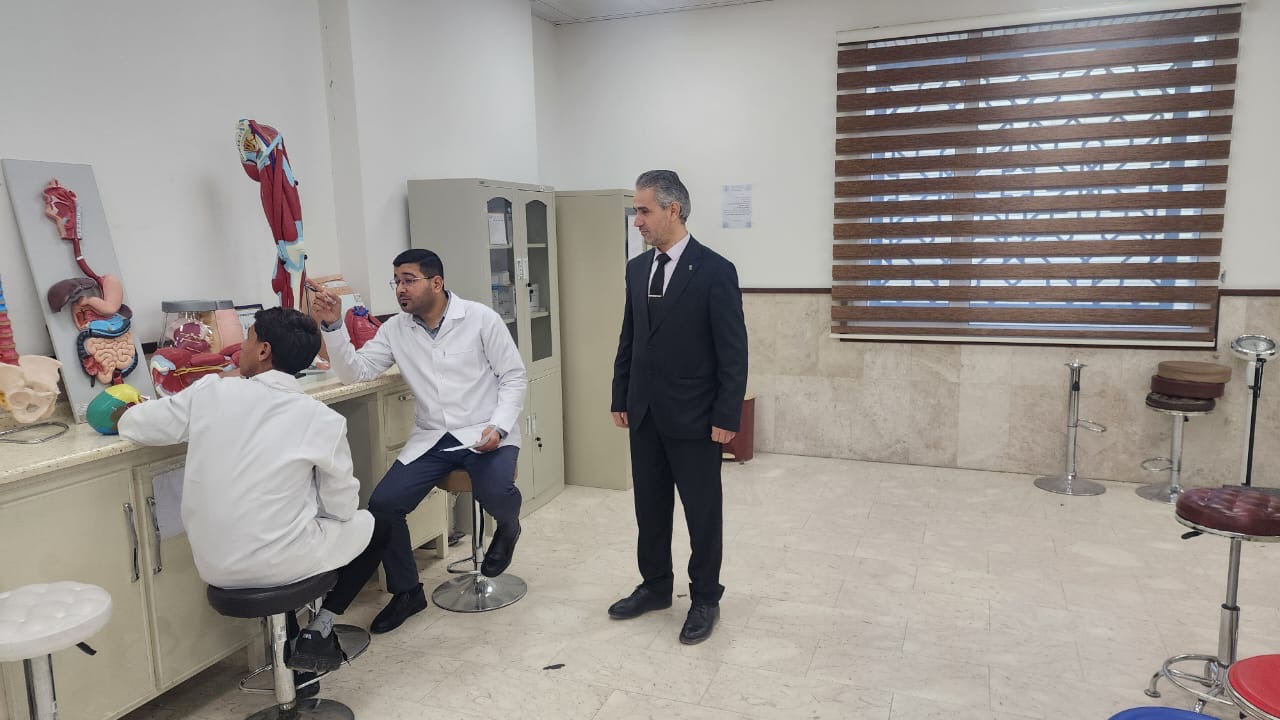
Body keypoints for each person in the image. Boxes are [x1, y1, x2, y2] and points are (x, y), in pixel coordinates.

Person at [118, 307, 391, 674]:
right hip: (283, 563)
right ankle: (320, 627)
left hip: (215, 565)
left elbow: (138, 425)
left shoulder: (212, 392)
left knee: (284, 527)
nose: (240, 348)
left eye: (247, 339)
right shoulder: (321, 419)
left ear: (263, 350)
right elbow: (342, 507)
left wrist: (122, 409)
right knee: (378, 524)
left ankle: (291, 643)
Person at [310, 248, 527, 634]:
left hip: (486, 428)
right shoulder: (395, 329)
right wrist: (333, 327)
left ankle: (509, 525)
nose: (400, 289)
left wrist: (498, 426)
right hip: (434, 437)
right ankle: (408, 592)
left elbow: (513, 376)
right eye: (396, 281)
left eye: (408, 280)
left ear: (436, 283)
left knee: (495, 492)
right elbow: (355, 373)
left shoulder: (480, 318)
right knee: (383, 505)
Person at [609, 170, 748, 644]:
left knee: (701, 513)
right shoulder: (636, 270)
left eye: (644, 211)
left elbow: (733, 352)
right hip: (644, 414)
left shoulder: (715, 270)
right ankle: (655, 586)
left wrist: (727, 416)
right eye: (636, 211)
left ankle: (705, 596)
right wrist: (621, 394)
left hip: (696, 418)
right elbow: (630, 338)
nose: (637, 221)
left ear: (673, 210)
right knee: (649, 507)